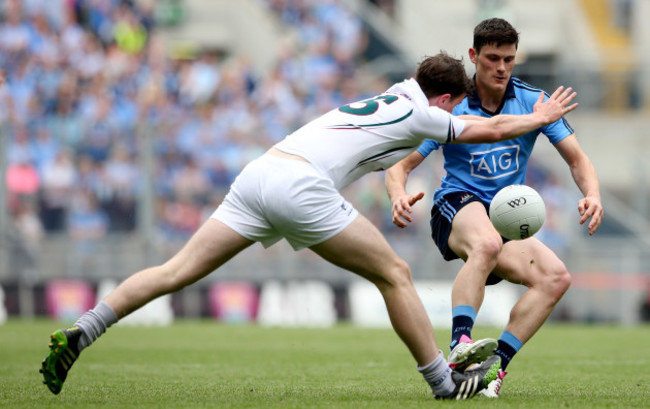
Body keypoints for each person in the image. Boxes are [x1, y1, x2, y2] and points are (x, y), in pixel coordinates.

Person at [40, 52, 578, 399]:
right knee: (394, 272)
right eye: (454, 104)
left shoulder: (398, 91)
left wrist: (394, 188)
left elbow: (390, 147)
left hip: (261, 172)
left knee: (174, 270)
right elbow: (491, 129)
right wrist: (541, 116)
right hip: (301, 186)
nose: (455, 112)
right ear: (444, 99)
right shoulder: (426, 112)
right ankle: (443, 382)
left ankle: (85, 328)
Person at [385, 19, 603, 398]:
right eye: (492, 58)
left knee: (556, 278)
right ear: (474, 57)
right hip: (456, 206)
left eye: (509, 59)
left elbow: (577, 160)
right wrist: (398, 194)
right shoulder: (452, 105)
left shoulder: (534, 102)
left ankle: (492, 371)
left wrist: (593, 193)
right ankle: (459, 346)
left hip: (503, 217)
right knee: (485, 242)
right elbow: (399, 166)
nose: (502, 67)